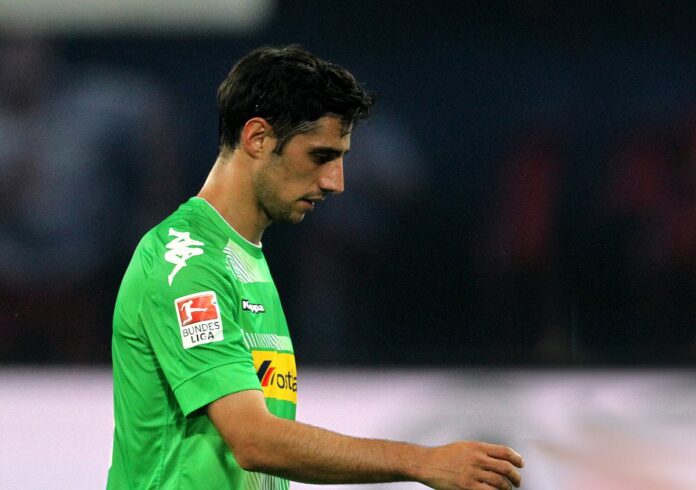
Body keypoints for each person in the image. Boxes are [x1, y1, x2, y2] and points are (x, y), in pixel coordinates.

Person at [107, 45, 525, 490]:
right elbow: (254, 441)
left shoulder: (243, 257)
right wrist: (420, 462)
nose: (335, 182)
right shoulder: (186, 265)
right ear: (258, 138)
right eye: (321, 156)